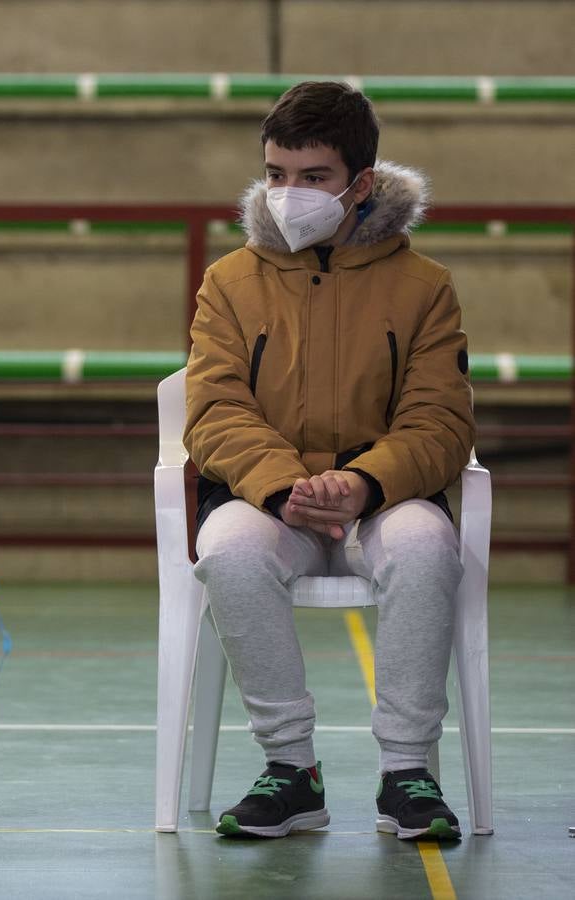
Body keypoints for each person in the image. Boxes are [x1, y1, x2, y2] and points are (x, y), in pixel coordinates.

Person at [184, 82, 475, 841]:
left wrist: (365, 481)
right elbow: (214, 411)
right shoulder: (229, 283)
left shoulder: (425, 289)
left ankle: (408, 770)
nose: (289, 194)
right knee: (226, 550)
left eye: (312, 177)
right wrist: (284, 487)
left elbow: (441, 420)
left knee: (424, 543)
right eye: (276, 173)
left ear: (361, 184)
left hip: (384, 498)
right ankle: (291, 771)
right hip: (270, 499)